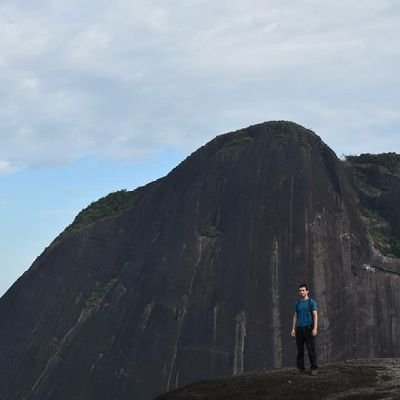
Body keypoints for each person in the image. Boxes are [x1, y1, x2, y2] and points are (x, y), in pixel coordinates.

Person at [291, 283, 318, 375]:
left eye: (303, 290)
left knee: (311, 349)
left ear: (307, 291)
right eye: (300, 291)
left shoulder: (311, 302)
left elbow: (315, 315)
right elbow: (295, 316)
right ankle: (300, 368)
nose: (301, 292)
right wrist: (293, 329)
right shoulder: (297, 303)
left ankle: (314, 368)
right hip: (299, 328)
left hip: (308, 328)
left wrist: (315, 328)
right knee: (300, 349)